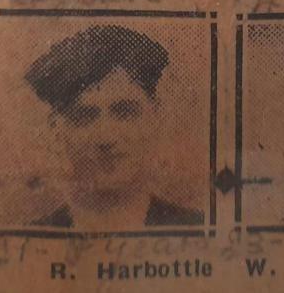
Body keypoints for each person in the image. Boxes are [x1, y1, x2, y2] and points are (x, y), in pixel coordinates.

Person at [24, 25, 202, 228]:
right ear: (57, 130)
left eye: (125, 112)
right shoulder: (30, 237)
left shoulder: (193, 226)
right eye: (84, 116)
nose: (106, 137)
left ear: (155, 118)